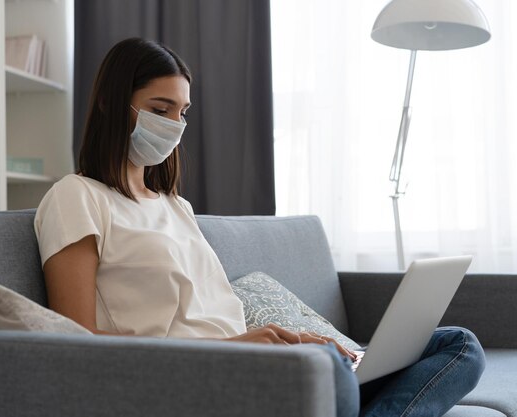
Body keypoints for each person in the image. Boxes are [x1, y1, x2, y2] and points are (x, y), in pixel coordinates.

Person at [34, 37, 485, 417]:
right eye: (160, 108)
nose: (175, 126)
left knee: (459, 345)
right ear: (113, 103)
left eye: (183, 112)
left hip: (245, 358)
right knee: (327, 368)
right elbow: (75, 338)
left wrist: (296, 338)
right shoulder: (77, 197)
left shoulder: (176, 208)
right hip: (193, 375)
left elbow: (211, 311)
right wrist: (232, 349)